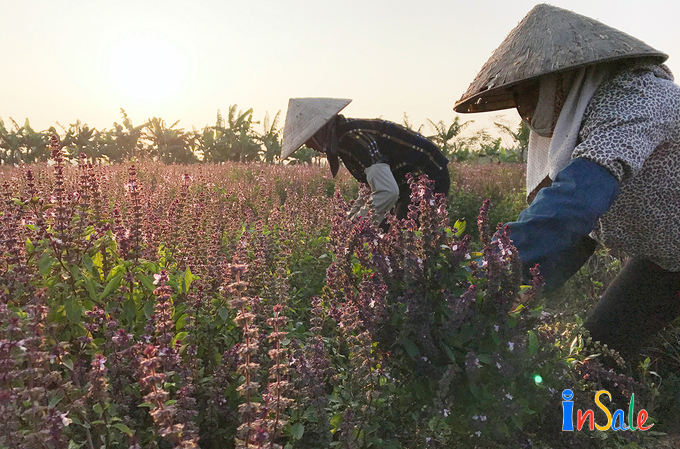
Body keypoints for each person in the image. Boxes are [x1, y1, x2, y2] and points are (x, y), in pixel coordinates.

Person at [453, 4, 680, 361]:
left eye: (526, 91)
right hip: (665, 262)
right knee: (600, 354)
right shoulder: (585, 118)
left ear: (560, 80)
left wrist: (480, 269)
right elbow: (579, 234)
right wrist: (515, 293)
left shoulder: (639, 100)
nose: (521, 108)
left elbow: (576, 202)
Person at [281, 98, 450, 227]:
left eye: (308, 140)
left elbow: (387, 192)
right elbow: (372, 189)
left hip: (428, 175)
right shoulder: (343, 138)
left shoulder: (353, 139)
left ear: (319, 131)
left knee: (403, 239)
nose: (310, 146)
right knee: (382, 232)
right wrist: (349, 220)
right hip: (405, 181)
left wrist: (356, 226)